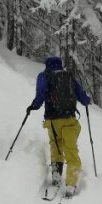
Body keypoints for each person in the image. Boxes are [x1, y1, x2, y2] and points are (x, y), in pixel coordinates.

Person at [26, 56, 91, 194]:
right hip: (69, 120)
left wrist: (33, 107)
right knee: (71, 151)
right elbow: (83, 98)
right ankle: (71, 184)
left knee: (56, 148)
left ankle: (56, 177)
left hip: (52, 121)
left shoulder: (44, 76)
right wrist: (86, 100)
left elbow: (40, 95)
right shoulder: (68, 77)